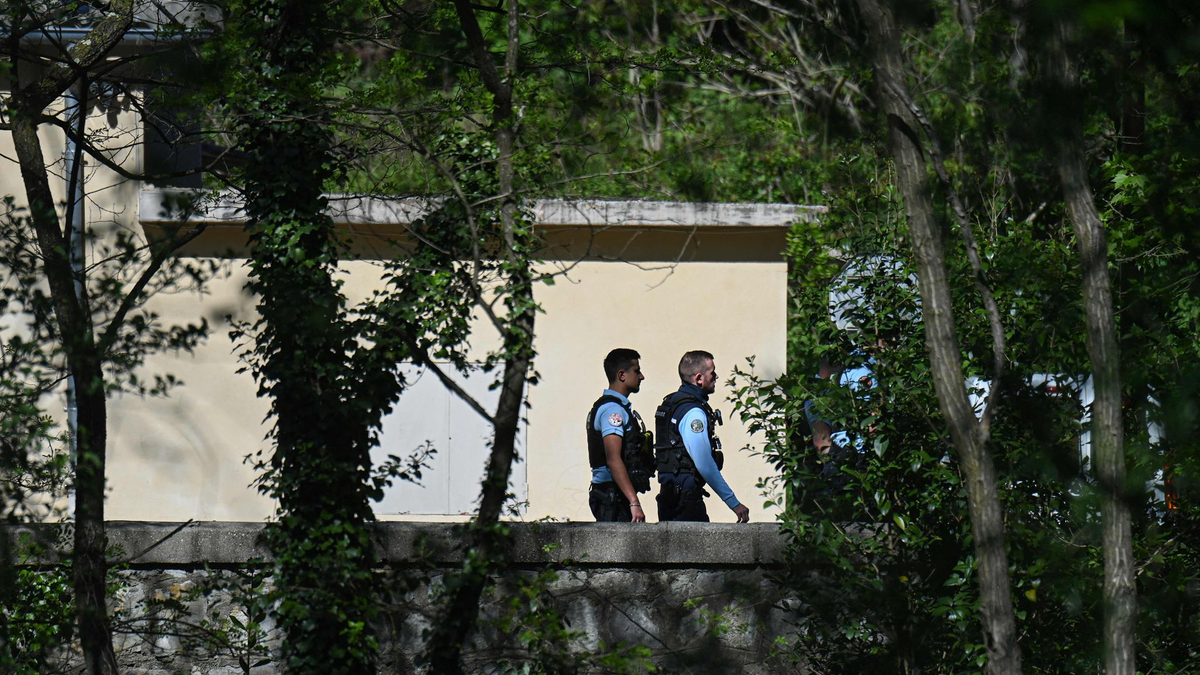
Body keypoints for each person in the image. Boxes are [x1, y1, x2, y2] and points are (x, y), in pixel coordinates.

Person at [653, 350, 750, 523]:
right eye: (712, 373)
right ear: (699, 378)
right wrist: (733, 502)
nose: (716, 376)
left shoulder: (674, 403)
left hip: (670, 497)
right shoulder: (693, 413)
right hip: (686, 501)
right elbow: (704, 463)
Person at [586, 348, 653, 522]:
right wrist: (634, 502)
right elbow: (613, 459)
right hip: (612, 496)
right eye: (637, 371)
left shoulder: (616, 407)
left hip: (614, 494)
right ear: (622, 375)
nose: (642, 376)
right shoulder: (612, 410)